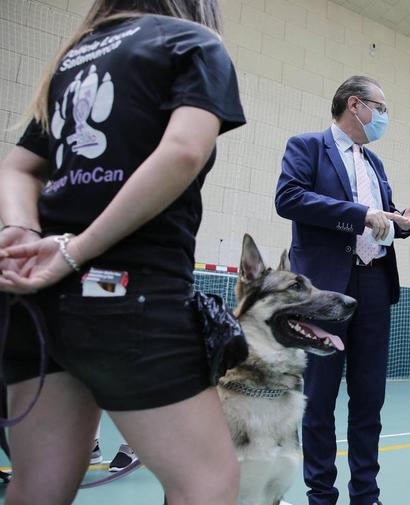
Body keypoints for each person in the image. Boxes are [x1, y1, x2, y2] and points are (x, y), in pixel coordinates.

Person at [0, 1, 246, 504]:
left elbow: (16, 167)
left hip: (38, 303)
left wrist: (25, 234)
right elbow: (182, 151)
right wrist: (77, 252)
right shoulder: (193, 44)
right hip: (127, 294)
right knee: (208, 485)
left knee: (38, 487)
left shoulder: (72, 60)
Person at [275, 75, 410, 505]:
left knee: (369, 398)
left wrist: (401, 220)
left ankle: (366, 495)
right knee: (318, 398)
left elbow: (381, 219)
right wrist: (359, 214)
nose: (384, 117)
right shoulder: (306, 147)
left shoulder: (374, 163)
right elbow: (289, 198)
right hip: (324, 290)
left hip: (375, 282)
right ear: (356, 105)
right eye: (381, 107)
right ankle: (322, 494)